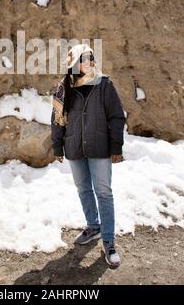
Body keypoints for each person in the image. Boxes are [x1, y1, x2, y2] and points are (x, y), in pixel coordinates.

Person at [50, 43, 126, 268]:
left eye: (91, 58)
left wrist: (116, 147)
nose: (89, 63)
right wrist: (57, 146)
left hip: (100, 148)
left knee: (104, 192)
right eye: (84, 59)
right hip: (74, 148)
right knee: (83, 189)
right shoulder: (65, 87)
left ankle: (109, 242)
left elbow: (116, 117)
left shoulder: (104, 84)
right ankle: (93, 226)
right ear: (74, 63)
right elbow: (57, 118)